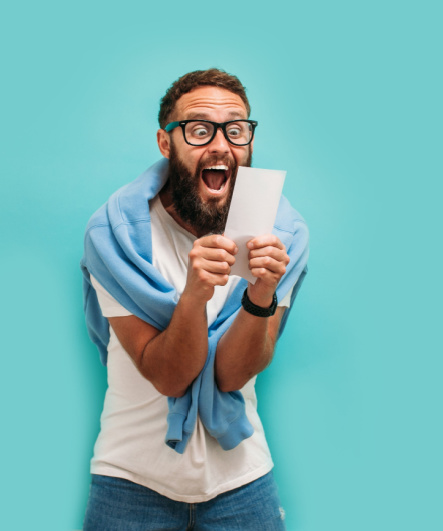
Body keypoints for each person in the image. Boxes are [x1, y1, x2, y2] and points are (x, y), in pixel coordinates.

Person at [80, 68, 309, 530]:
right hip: (131, 481)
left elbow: (231, 373)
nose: (221, 145)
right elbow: (169, 375)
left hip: (242, 480)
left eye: (236, 129)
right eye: (199, 129)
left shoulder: (284, 235)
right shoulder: (114, 238)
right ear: (166, 143)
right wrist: (193, 295)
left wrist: (260, 294)